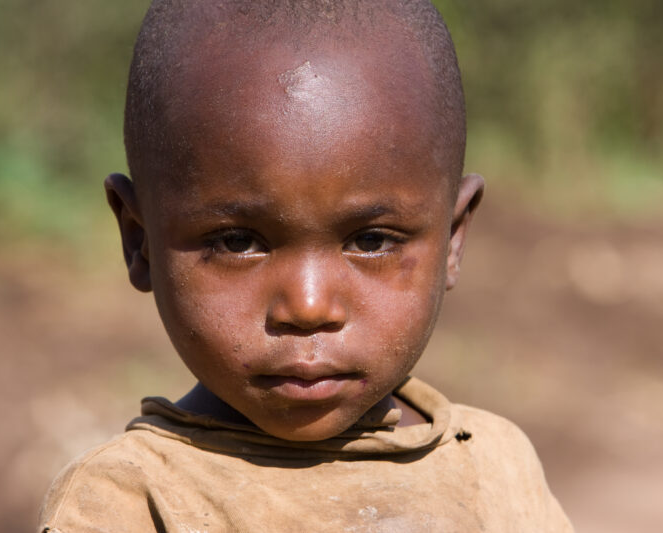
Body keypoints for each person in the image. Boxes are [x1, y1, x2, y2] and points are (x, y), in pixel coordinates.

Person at [38, 1, 573, 531]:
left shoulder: (493, 468)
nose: (309, 306)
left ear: (452, 238)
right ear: (140, 240)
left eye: (370, 240)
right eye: (237, 241)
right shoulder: (128, 501)